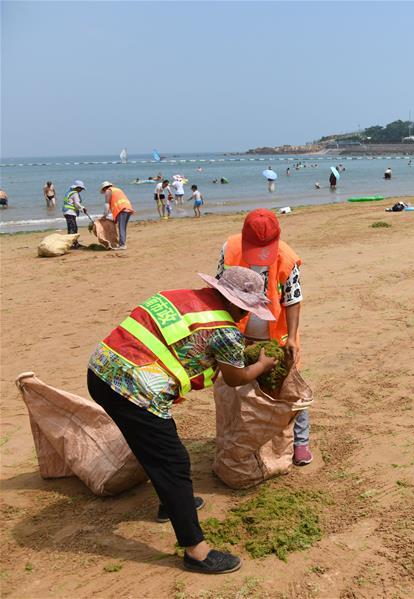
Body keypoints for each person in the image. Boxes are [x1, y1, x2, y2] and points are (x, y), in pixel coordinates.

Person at [87, 267, 277, 574]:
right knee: (173, 461)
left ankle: (170, 504)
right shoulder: (225, 330)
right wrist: (264, 363)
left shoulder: (175, 297)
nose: (245, 315)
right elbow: (235, 376)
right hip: (133, 389)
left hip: (100, 370)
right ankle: (196, 552)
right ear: (239, 304)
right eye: (246, 308)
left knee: (151, 447)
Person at [216, 209, 312, 466]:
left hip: (276, 336)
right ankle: (248, 438)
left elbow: (293, 300)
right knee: (242, 389)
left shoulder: (286, 257)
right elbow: (220, 289)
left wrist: (291, 338)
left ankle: (301, 442)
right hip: (241, 331)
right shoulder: (230, 248)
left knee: (288, 389)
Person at [100, 181, 134, 250]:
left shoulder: (108, 191)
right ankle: (122, 243)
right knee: (123, 227)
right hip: (128, 208)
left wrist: (105, 215)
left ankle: (122, 245)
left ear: (104, 188)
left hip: (122, 209)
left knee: (121, 227)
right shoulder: (117, 189)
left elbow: (107, 204)